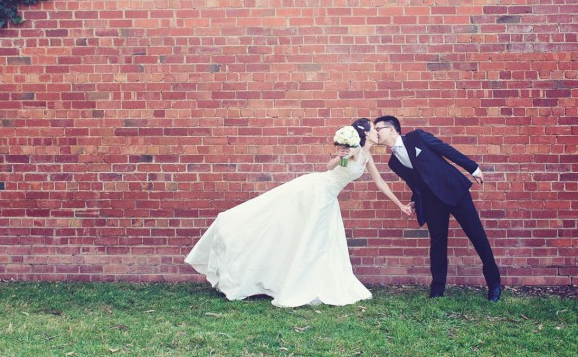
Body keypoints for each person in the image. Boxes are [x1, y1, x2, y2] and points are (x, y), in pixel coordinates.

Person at [185, 119, 412, 307]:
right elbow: (329, 167)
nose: (377, 132)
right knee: (296, 231)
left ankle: (312, 281)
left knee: (319, 240)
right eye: (373, 128)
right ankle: (281, 277)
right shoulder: (353, 151)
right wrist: (342, 155)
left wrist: (400, 204)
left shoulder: (367, 157)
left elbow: (380, 182)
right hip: (315, 191)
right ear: (365, 133)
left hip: (328, 198)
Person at [373, 115, 501, 301]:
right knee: (438, 244)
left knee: (477, 236)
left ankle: (494, 284)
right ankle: (437, 290)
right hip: (431, 201)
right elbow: (415, 182)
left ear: (391, 129)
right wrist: (416, 200)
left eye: (378, 129)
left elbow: (446, 150)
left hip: (455, 191)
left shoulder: (417, 137)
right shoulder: (393, 163)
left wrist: (473, 168)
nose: (375, 132)